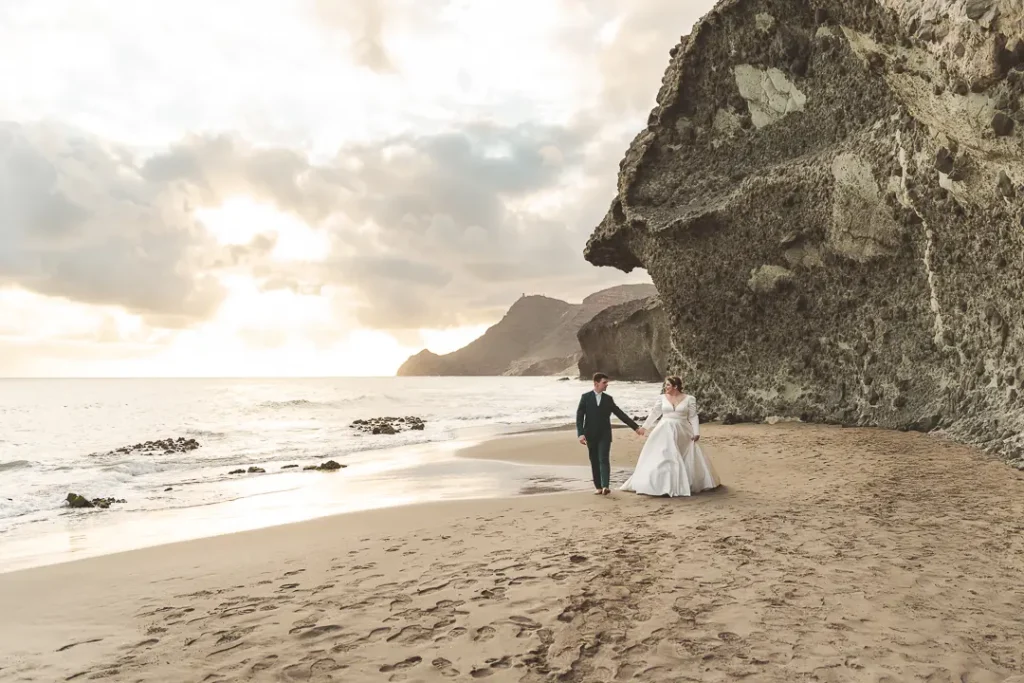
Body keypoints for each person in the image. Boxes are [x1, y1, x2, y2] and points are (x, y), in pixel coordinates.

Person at [621, 375, 720, 497]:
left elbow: (693, 416)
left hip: (683, 430)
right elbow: (655, 413)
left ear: (675, 386)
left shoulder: (690, 399)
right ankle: (663, 484)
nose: (665, 387)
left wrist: (696, 432)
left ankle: (684, 483)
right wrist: (644, 427)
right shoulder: (662, 398)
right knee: (665, 454)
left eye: (668, 385)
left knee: (684, 456)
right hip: (664, 429)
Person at [576, 372, 642, 495]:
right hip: (590, 434)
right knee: (594, 460)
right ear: (596, 383)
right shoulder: (585, 398)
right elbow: (579, 417)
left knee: (603, 459)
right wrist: (580, 433)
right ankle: (598, 487)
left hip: (605, 434)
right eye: (604, 383)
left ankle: (606, 486)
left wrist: (636, 427)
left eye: (607, 383)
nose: (606, 385)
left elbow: (620, 414)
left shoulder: (608, 399)